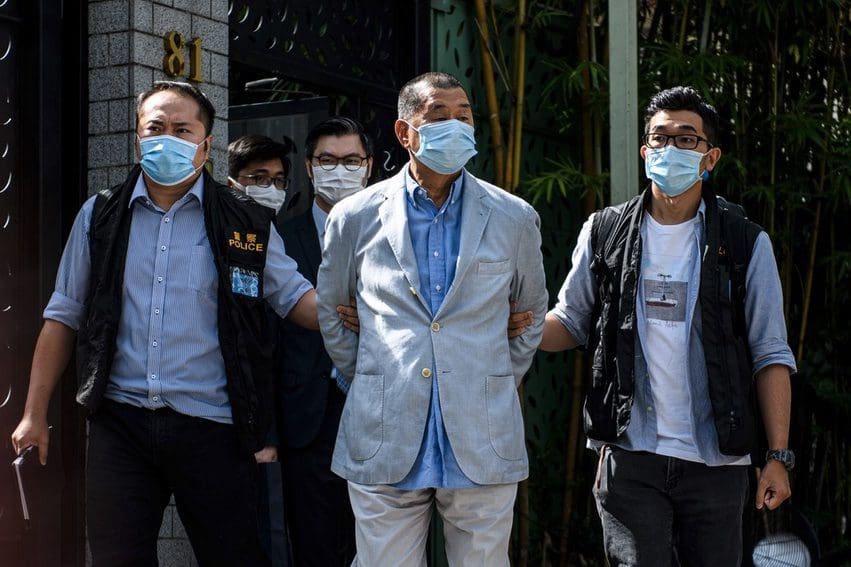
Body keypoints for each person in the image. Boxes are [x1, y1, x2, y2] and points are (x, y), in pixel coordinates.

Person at [11, 81, 318, 566]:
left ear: (206, 144)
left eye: (182, 129)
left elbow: (296, 298)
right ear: (138, 135)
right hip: (122, 425)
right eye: (156, 128)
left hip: (214, 428)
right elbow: (63, 315)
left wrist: (361, 312)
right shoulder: (101, 214)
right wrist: (34, 412)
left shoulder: (245, 221)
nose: (167, 139)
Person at [541, 86, 796, 565]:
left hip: (718, 460)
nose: (671, 150)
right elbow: (570, 322)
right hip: (631, 456)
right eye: (660, 139)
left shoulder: (744, 242)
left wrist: (778, 457)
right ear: (644, 151)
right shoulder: (605, 231)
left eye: (687, 139)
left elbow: (771, 353)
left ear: (710, 157)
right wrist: (512, 322)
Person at [316, 71, 548, 566]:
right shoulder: (354, 215)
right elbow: (332, 312)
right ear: (405, 133)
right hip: (385, 424)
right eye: (438, 116)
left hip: (481, 425)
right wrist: (376, 373)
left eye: (463, 117)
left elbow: (528, 317)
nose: (455, 126)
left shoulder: (514, 216)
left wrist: (491, 374)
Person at [273, 116, 373, 566]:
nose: (340, 170)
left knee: (375, 545)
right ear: (310, 168)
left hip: (377, 413)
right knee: (313, 546)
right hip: (305, 417)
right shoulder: (280, 236)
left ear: (369, 166)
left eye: (351, 161)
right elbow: (266, 338)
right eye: (327, 160)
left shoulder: (394, 234)